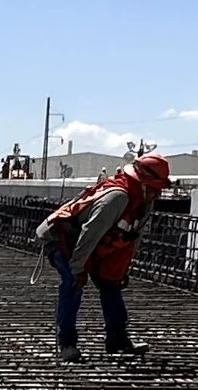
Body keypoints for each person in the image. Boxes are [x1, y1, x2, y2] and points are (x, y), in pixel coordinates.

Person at [41, 151, 170, 359]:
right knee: (72, 284)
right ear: (143, 183)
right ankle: (66, 344)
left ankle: (117, 340)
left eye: (159, 190)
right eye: (154, 189)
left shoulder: (145, 202)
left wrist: (121, 270)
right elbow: (89, 234)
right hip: (64, 238)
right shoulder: (117, 198)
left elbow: (131, 238)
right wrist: (78, 268)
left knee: (111, 285)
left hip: (96, 243)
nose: (157, 194)